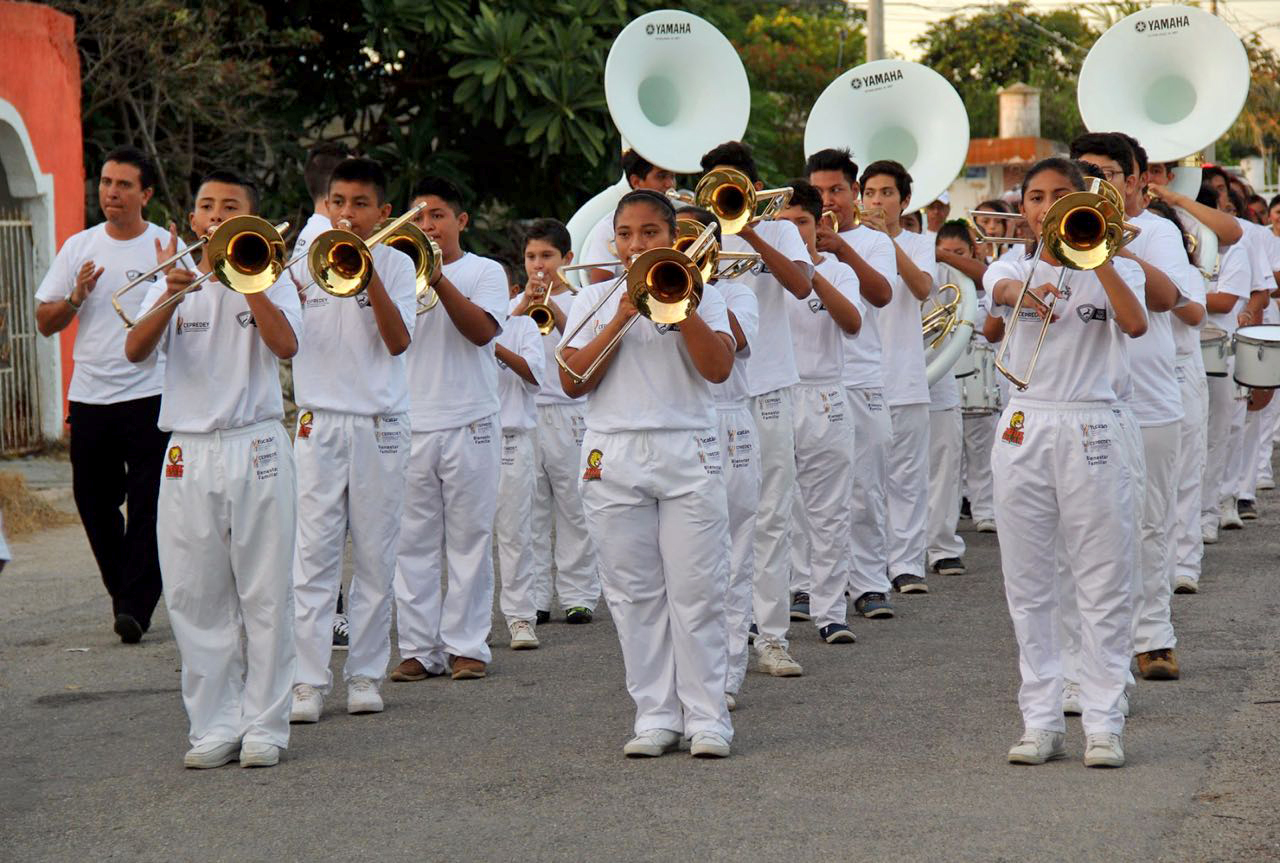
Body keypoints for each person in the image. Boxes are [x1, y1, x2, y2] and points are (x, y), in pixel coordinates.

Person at [123, 170, 302, 769]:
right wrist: (173, 293)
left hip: (256, 442)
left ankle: (265, 726)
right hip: (186, 449)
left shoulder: (273, 273)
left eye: (231, 207)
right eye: (206, 206)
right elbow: (134, 350)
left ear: (252, 216)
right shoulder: (175, 275)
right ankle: (214, 725)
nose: (216, 214)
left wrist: (248, 277)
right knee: (193, 594)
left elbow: (286, 347)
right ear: (194, 218)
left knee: (265, 592)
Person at [559, 189, 736, 758]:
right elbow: (571, 379)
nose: (637, 245)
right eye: (627, 235)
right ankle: (656, 715)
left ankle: (708, 718)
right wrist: (621, 312)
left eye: (650, 234)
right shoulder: (591, 296)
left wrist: (678, 308)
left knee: (698, 591)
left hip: (688, 448)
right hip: (613, 453)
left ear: (672, 238)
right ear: (614, 241)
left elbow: (717, 369)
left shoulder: (707, 292)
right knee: (634, 595)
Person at [987, 157, 1147, 769]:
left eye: (1061, 197)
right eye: (1035, 197)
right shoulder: (1012, 265)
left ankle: (1104, 722)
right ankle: (1041, 720)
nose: (1046, 206)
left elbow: (1134, 322)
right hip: (1027, 421)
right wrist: (1030, 286)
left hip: (1093, 423)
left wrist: (1097, 254)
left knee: (1102, 579)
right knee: (1029, 583)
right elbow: (998, 295)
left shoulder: (1118, 266)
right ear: (1023, 208)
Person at [288, 157, 418, 724]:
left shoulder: (395, 264)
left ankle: (364, 674)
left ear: (382, 212)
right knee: (312, 557)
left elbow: (397, 343)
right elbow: (282, 340)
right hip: (319, 421)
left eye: (360, 204)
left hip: (379, 426)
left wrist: (367, 281)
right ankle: (307, 681)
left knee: (374, 554)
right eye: (337, 202)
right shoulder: (302, 262)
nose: (346, 213)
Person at [34, 146, 172, 644]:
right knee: (92, 501)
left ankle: (135, 606)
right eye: (107, 182)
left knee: (150, 503)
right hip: (90, 397)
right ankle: (127, 593)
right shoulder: (79, 247)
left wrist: (170, 280)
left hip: (151, 395)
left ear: (146, 194)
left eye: (124, 185)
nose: (111, 192)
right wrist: (76, 296)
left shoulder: (165, 247)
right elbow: (45, 323)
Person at [1072, 132, 1185, 682]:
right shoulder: (1059, 226)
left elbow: (1169, 301)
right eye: (1083, 172)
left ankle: (1154, 638)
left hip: (1151, 399)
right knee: (1089, 531)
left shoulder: (1159, 231)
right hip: (1086, 403)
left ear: (1136, 179)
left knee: (1149, 524)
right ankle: (1095, 650)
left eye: (1105, 174)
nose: (1092, 182)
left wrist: (1112, 245)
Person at [700, 141, 814, 676]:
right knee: (709, 518)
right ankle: (720, 635)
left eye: (732, 186)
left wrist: (745, 231)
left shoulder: (781, 230)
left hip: (767, 388)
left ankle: (770, 636)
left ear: (750, 187)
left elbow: (800, 283)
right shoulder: (693, 231)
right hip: (711, 392)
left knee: (771, 515)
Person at [391, 177, 507, 682]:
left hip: (471, 422)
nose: (427, 226)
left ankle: (467, 646)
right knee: (410, 543)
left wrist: (437, 278)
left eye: (436, 215)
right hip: (411, 423)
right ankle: (418, 648)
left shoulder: (486, 271)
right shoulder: (393, 271)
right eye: (417, 217)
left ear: (460, 221)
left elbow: (481, 332)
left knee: (469, 541)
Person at [807, 148, 898, 619]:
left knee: (865, 490)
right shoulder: (793, 238)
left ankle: (867, 582)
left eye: (837, 190)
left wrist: (840, 247)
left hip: (861, 380)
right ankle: (805, 584)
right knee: (807, 497)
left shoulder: (873, 240)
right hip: (812, 384)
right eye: (819, 191)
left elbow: (881, 294)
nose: (828, 200)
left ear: (854, 193)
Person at [676, 205, 760, 709]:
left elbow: (738, 343)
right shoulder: (647, 292)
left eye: (695, 242)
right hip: (676, 425)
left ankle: (726, 672)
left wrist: (693, 286)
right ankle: (682, 673)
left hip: (728, 423)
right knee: (682, 561)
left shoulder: (737, 293)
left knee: (733, 550)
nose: (686, 252)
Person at [777, 180, 863, 644]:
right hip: (773, 398)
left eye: (801, 224)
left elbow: (851, 322)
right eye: (783, 226)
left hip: (825, 397)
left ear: (818, 225)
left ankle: (831, 610)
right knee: (771, 509)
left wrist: (810, 268)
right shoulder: (763, 270)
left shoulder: (836, 269)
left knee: (828, 509)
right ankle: (777, 601)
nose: (793, 233)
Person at [512, 219, 600, 624]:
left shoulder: (581, 300)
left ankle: (579, 594)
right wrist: (523, 307)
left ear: (566, 259)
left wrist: (552, 309)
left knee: (574, 507)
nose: (538, 265)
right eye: (531, 257)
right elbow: (498, 340)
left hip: (570, 414)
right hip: (528, 414)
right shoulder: (516, 302)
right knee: (530, 510)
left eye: (546, 256)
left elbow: (581, 348)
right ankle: (535, 597)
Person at [287, 142, 353, 650]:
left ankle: (329, 609)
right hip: (327, 405)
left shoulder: (350, 242)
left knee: (328, 525)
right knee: (321, 527)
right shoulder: (309, 249)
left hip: (350, 401)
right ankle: (326, 612)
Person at [860, 159, 935, 592]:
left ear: (904, 201)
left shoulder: (919, 243)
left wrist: (890, 240)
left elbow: (923, 289)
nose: (876, 201)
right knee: (863, 481)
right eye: (870, 193)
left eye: (886, 193)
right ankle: (865, 569)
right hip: (862, 379)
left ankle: (906, 564)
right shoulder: (847, 243)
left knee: (907, 477)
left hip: (905, 375)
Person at [935, 221, 996, 539]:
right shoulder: (936, 286)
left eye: (958, 253)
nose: (950, 259)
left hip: (977, 371)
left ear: (972, 252)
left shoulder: (986, 285)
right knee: (949, 451)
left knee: (981, 445)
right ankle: (955, 505)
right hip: (943, 371)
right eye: (944, 252)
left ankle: (984, 509)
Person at [493, 310, 546, 648]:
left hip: (512, 439)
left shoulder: (523, 325)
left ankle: (521, 618)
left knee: (515, 533)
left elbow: (534, 376)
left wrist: (492, 343)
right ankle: (467, 626)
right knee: (467, 539)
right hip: (471, 436)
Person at [581, 150, 678, 285]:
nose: (670, 185)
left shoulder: (684, 215)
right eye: (661, 177)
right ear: (636, 181)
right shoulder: (608, 226)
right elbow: (599, 284)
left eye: (672, 177)